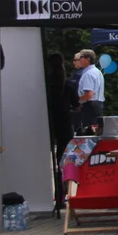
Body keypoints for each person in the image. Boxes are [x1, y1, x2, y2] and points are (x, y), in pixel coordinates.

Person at [46, 52, 79, 209]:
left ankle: (51, 195)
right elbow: (77, 105)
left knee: (49, 160)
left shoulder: (45, 84)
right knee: (63, 161)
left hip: (48, 122)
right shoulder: (69, 84)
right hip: (64, 123)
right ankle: (62, 195)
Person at [73, 49, 104, 131]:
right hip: (98, 104)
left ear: (88, 59)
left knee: (89, 130)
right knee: (96, 129)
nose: (79, 60)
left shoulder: (88, 74)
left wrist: (76, 101)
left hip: (89, 106)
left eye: (81, 57)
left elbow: (89, 94)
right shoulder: (97, 71)